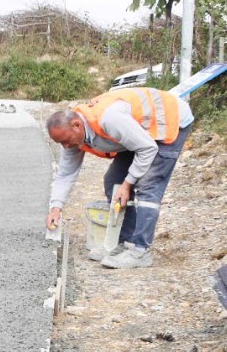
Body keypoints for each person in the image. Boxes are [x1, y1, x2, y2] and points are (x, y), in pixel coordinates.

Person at [45, 87, 194, 269]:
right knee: (113, 181)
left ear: (76, 125)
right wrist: (56, 207)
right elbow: (66, 174)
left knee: (148, 187)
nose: (66, 147)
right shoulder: (71, 136)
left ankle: (140, 250)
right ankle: (125, 242)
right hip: (139, 133)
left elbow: (147, 148)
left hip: (169, 123)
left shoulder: (109, 119)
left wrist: (129, 182)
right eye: (60, 143)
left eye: (66, 141)